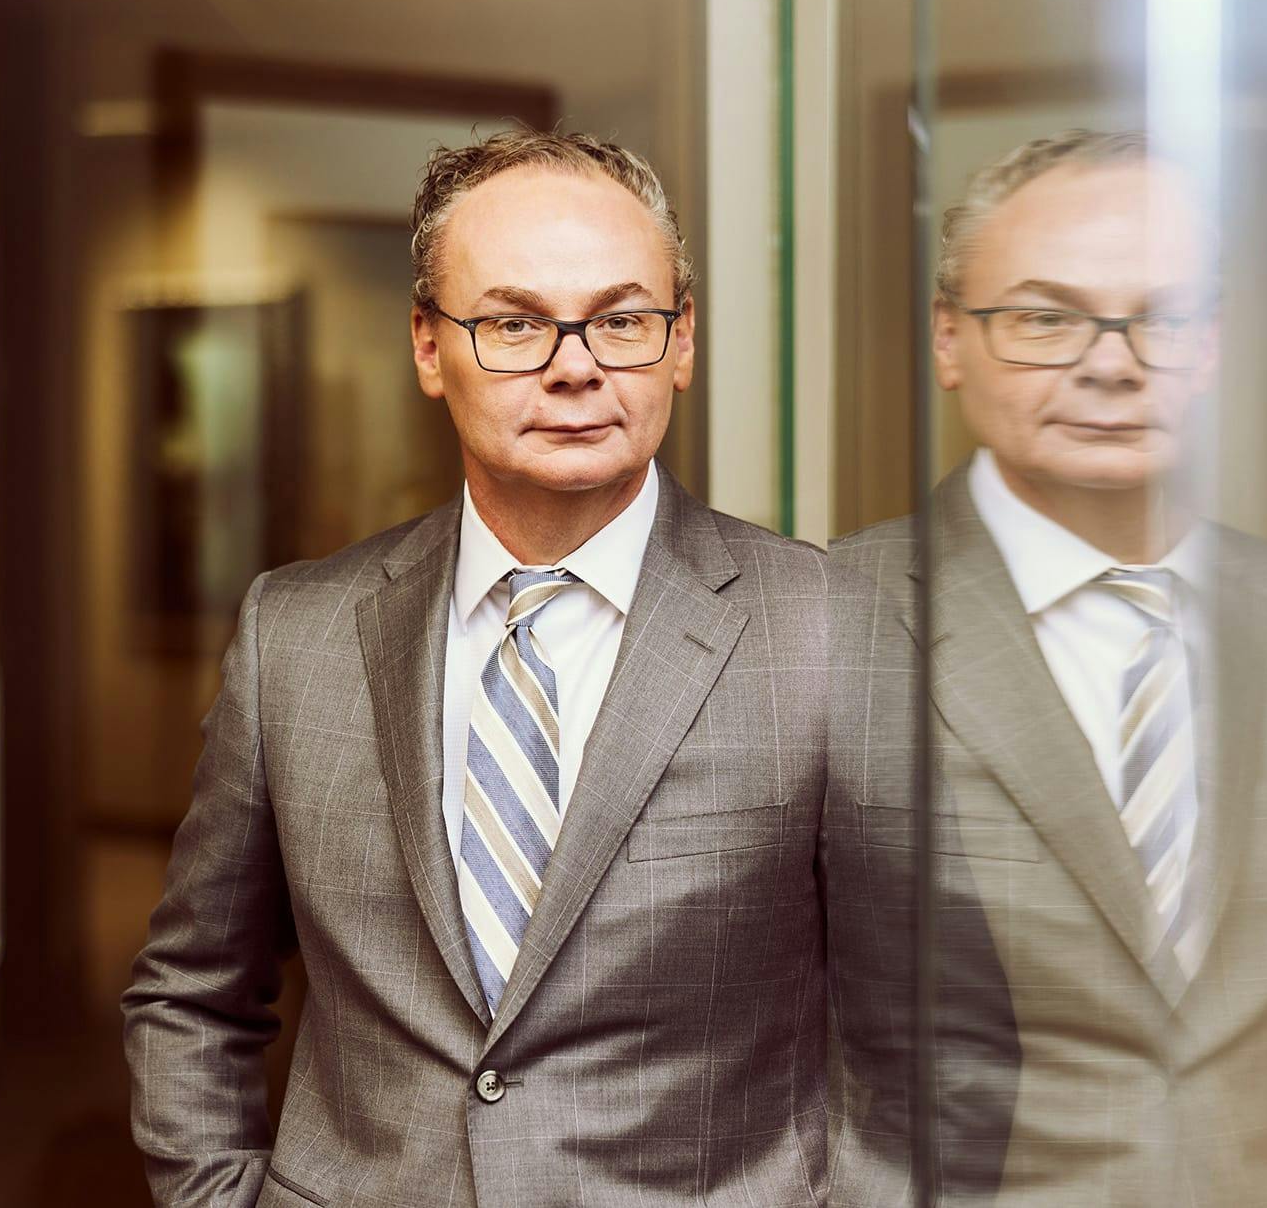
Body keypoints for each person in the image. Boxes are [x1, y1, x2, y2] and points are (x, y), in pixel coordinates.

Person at [123, 127, 834, 1206]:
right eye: (513, 323)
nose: (576, 365)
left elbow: (930, 1028)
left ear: (681, 343)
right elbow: (193, 993)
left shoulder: (826, 629)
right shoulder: (296, 637)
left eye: (624, 319)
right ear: (425, 344)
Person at [831, 129, 1267, 1203]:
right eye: (1044, 316)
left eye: (1162, 318)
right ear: (949, 339)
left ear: (1210, 345)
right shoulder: (820, 620)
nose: (1111, 361)